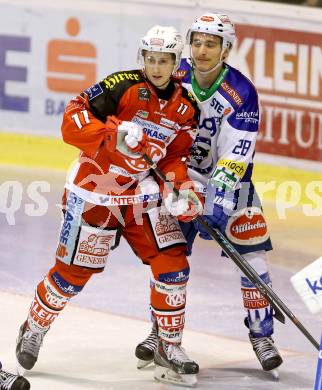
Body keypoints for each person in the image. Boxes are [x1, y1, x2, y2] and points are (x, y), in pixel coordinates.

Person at [15, 25, 203, 387]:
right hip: (95, 192)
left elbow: (175, 157)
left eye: (164, 60)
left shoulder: (185, 108)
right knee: (72, 276)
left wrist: (180, 187)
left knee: (173, 263)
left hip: (140, 197)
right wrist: (112, 133)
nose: (156, 67)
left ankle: (169, 345)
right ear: (142, 58)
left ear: (176, 62)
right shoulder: (121, 86)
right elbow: (71, 122)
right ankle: (34, 327)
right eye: (150, 59)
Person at [135, 13, 283, 378]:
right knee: (169, 260)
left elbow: (237, 152)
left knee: (255, 260)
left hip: (232, 186)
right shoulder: (173, 73)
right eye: (197, 42)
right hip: (179, 180)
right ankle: (161, 335)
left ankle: (262, 336)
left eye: (211, 43)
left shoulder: (241, 91)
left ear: (226, 49)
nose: (201, 50)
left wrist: (219, 197)